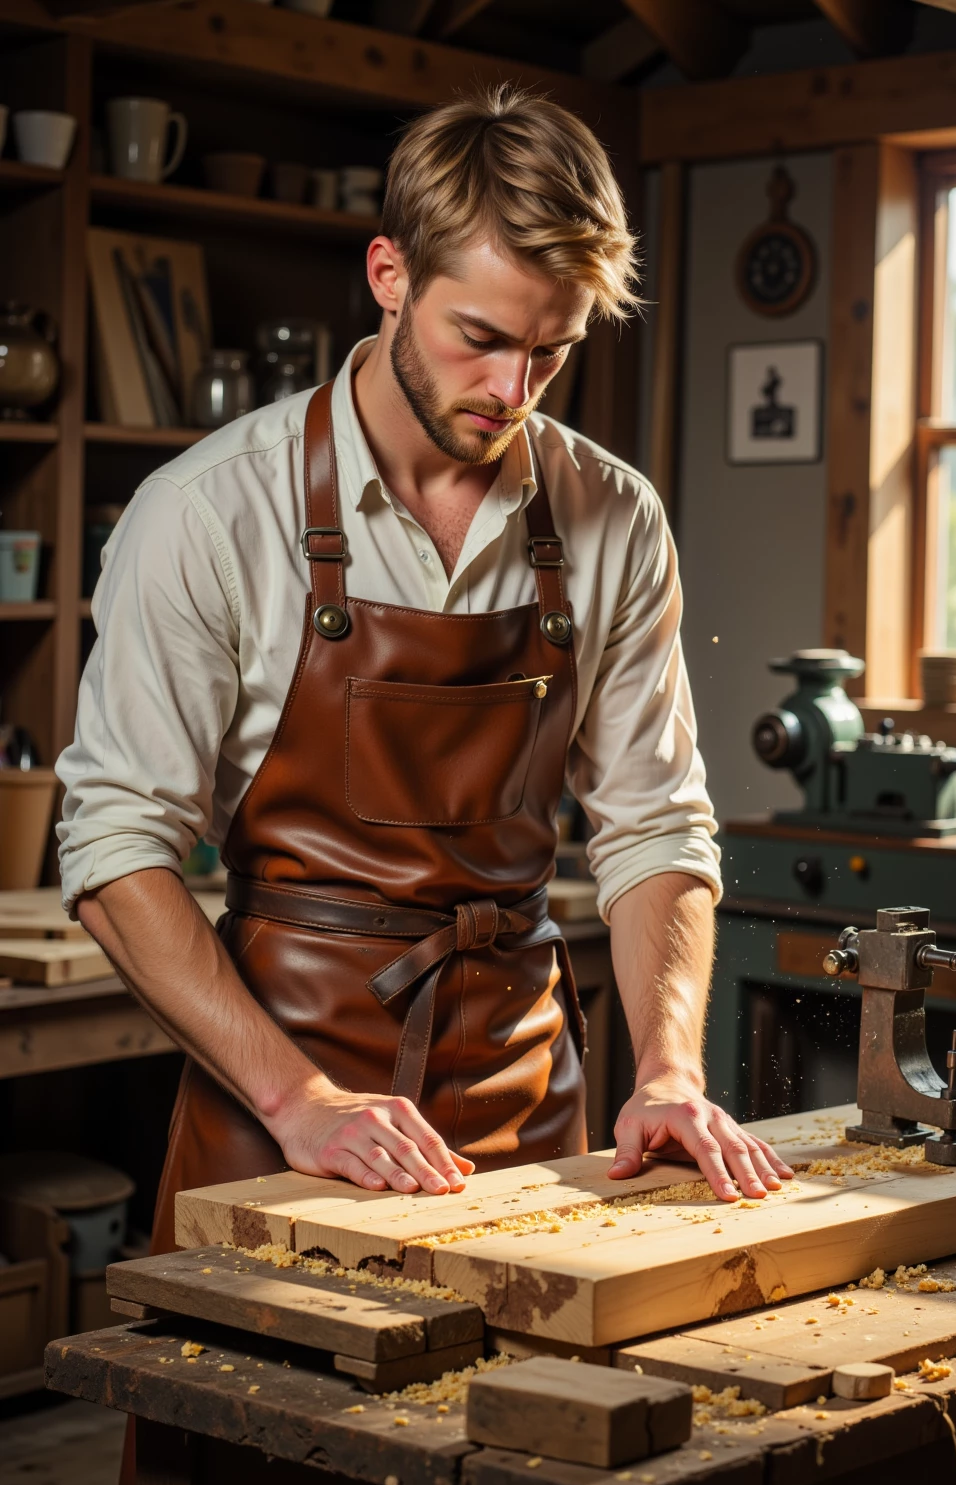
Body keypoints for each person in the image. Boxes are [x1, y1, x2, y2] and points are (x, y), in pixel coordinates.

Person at [58, 86, 793, 1245]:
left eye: (551, 351)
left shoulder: (613, 518)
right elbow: (111, 849)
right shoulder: (206, 513)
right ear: (389, 274)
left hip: (530, 1105)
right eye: (482, 339)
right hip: (280, 1105)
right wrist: (297, 1101)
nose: (513, 392)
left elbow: (653, 826)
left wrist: (668, 1070)